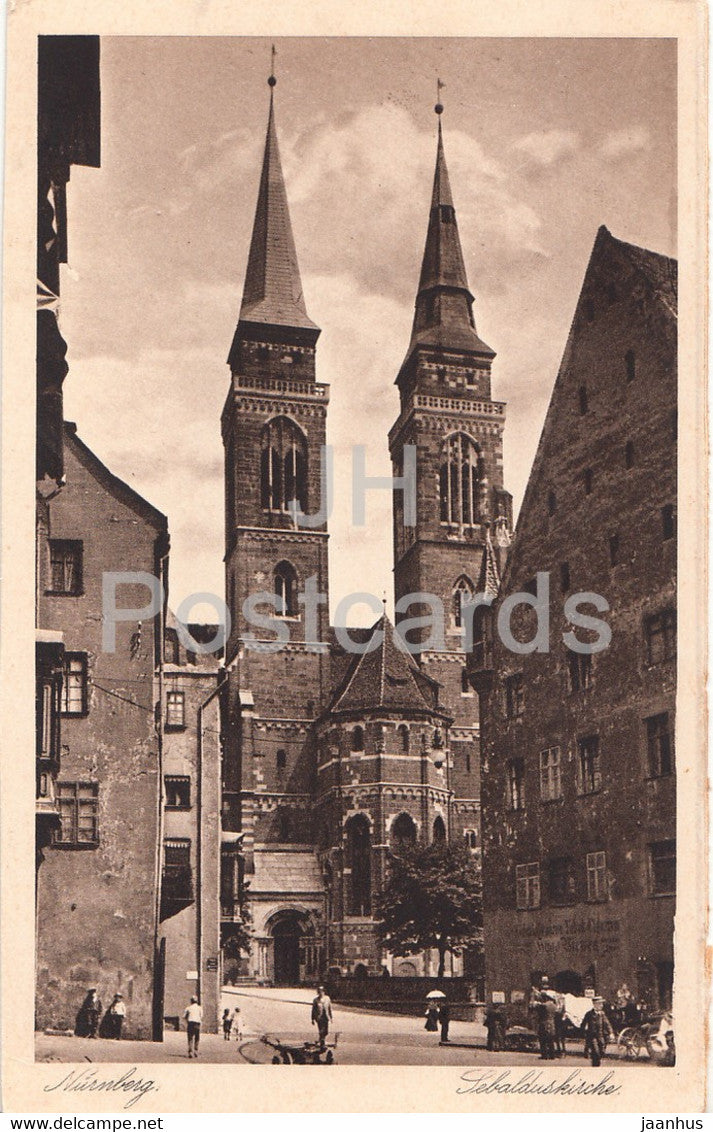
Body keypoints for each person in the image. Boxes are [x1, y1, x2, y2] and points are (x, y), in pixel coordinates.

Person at [582, 996, 614, 1067]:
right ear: (595, 1004)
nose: (601, 1006)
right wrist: (584, 1032)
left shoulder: (602, 1014)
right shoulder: (589, 1014)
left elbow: (607, 1024)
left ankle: (596, 1064)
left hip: (601, 1037)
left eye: (602, 1004)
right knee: (595, 1052)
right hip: (592, 1037)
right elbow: (583, 1024)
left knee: (601, 1052)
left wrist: (611, 1033)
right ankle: (595, 1066)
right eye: (599, 1004)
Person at [311, 985, 333, 1051]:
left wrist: (331, 1018)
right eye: (319, 992)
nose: (320, 993)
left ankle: (320, 1040)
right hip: (319, 1018)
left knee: (326, 1031)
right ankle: (322, 1043)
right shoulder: (315, 1000)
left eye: (322, 991)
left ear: (324, 992)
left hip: (326, 1017)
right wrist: (312, 1019)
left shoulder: (327, 998)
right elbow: (313, 1010)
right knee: (321, 1030)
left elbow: (329, 1008)